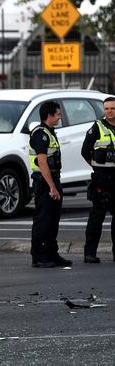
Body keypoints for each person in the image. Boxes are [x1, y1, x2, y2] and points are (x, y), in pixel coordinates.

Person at [28, 101, 72, 268]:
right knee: (43, 221)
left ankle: (52, 254)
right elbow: (42, 162)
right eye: (58, 114)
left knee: (53, 221)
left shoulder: (50, 132)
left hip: (53, 179)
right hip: (44, 182)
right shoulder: (41, 134)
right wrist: (52, 187)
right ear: (49, 115)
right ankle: (38, 256)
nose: (60, 116)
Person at [81, 96, 115, 264]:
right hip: (102, 177)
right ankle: (90, 253)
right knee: (97, 217)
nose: (109, 111)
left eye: (113, 108)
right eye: (107, 108)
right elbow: (85, 151)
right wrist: (97, 166)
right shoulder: (97, 127)